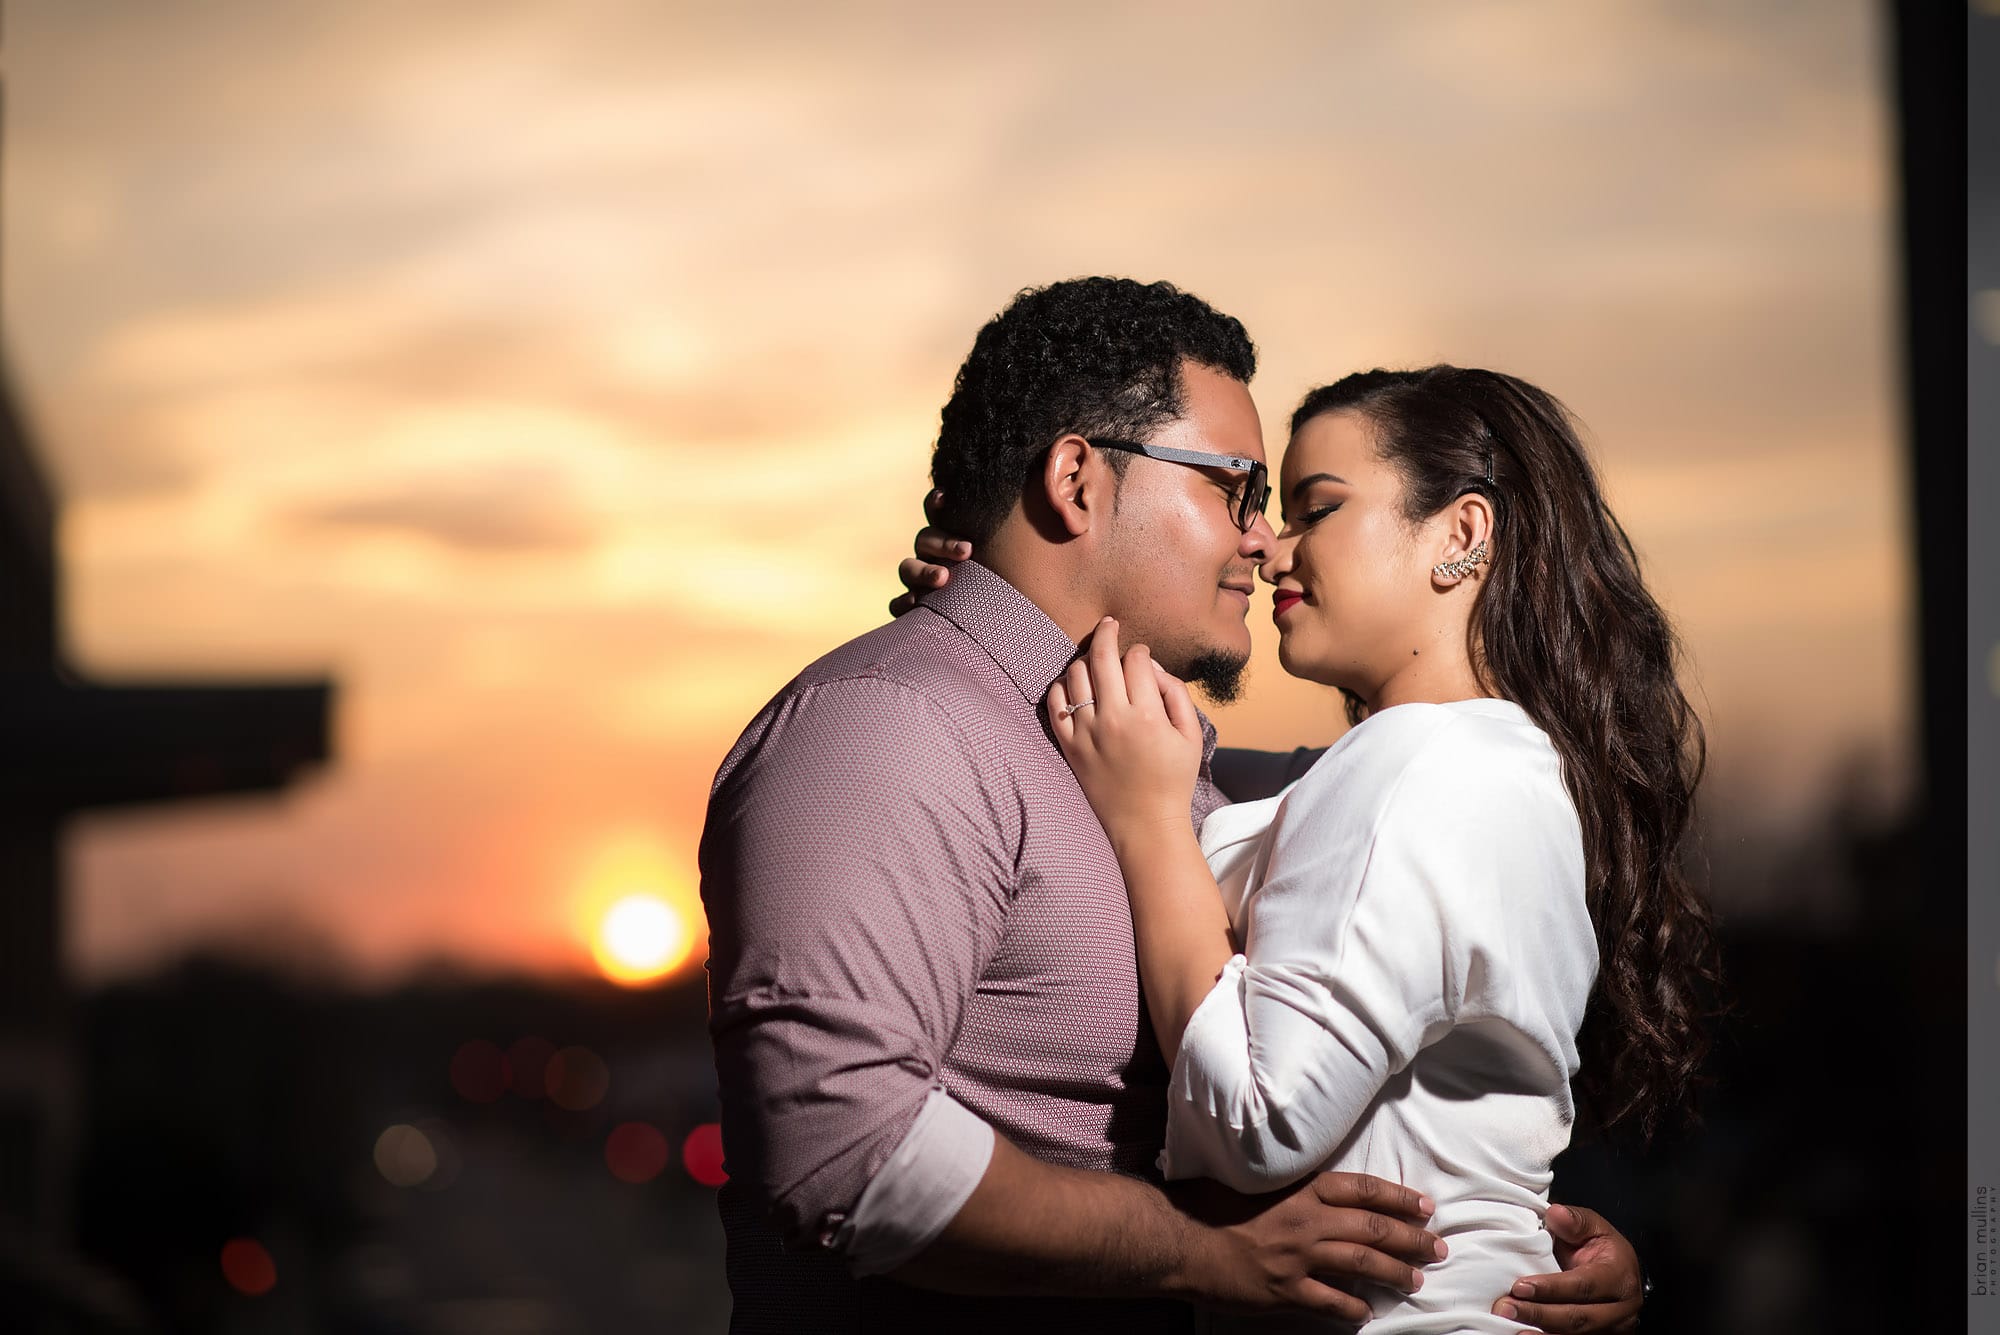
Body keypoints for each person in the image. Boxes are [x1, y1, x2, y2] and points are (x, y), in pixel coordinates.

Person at [701, 279, 1646, 1334]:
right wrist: (1200, 1255)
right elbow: (842, 1151)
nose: (1262, 541)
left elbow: (1437, 876)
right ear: (1074, 479)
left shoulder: (1181, 770)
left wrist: (1510, 1243)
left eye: (1293, 507)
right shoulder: (888, 729)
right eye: (1236, 491)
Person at [901, 364, 1717, 1332]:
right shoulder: (1486, 764)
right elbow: (1182, 758)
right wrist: (1005, 601)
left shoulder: (1420, 768)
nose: (1271, 549)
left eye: (1312, 510)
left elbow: (1260, 1116)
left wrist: (1148, 825)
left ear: (1459, 535)